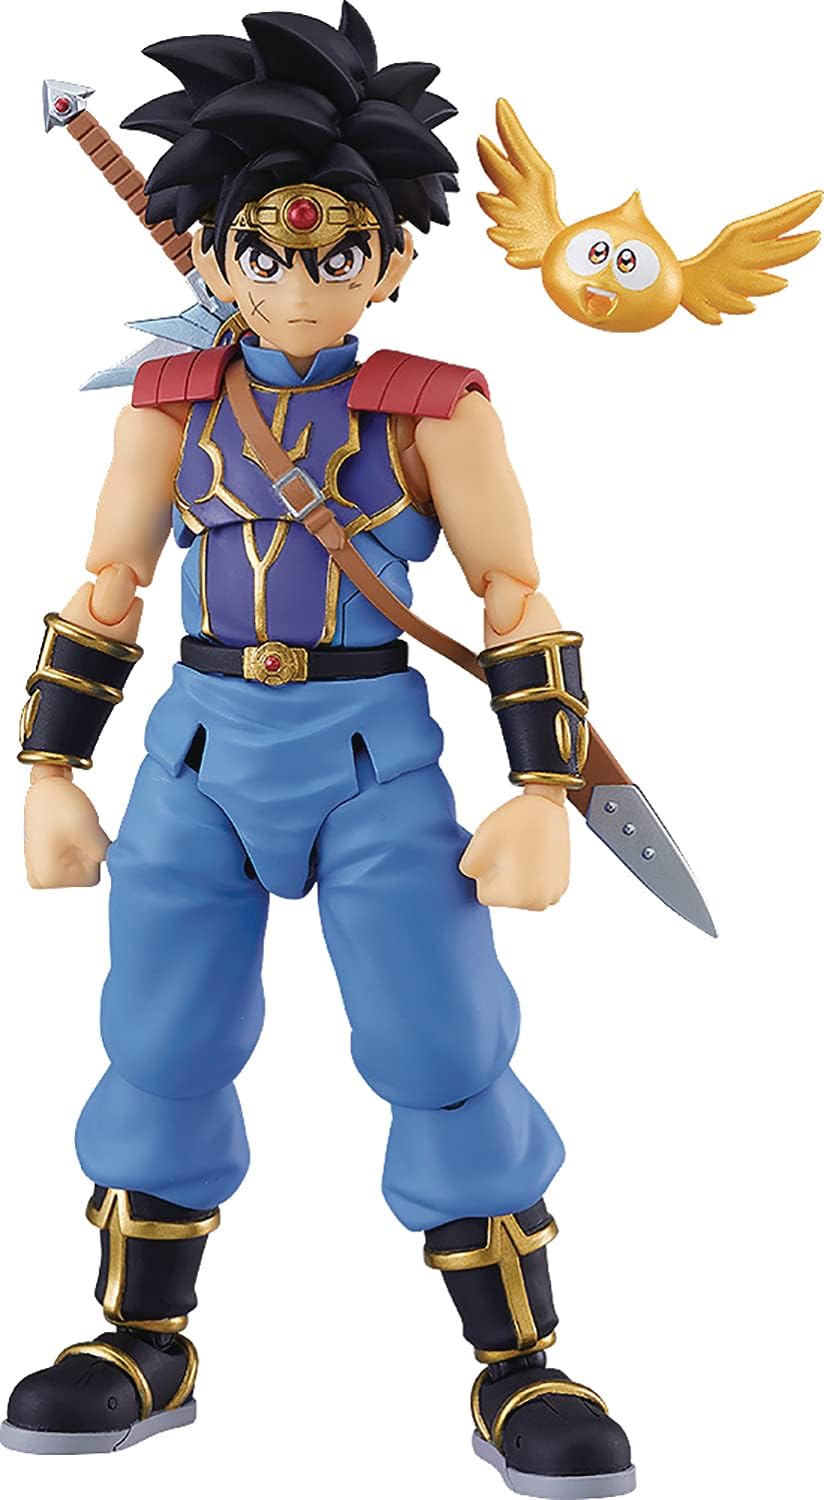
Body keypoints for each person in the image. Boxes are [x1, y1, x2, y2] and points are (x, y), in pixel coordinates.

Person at [5, 9, 634, 1495]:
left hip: (371, 758)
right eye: (266, 253)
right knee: (160, 1038)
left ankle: (519, 1363)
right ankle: (141, 1341)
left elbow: (514, 593)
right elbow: (109, 584)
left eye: (337, 252)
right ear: (215, 260)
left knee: (440, 1041)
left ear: (392, 261)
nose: (300, 282)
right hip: (199, 752)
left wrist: (543, 788)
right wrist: (50, 767)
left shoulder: (434, 410)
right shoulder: (172, 407)